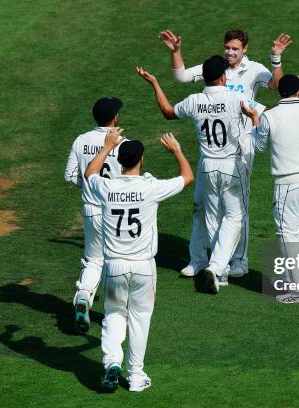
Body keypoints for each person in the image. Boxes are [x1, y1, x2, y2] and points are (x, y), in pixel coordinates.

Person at [158, 28, 294, 278]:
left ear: (245, 50)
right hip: (209, 153)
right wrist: (176, 51)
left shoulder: (254, 70)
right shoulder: (215, 66)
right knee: (202, 206)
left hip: (240, 149)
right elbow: (181, 76)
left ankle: (238, 260)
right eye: (227, 48)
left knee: (236, 209)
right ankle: (200, 259)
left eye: (235, 49)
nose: (230, 52)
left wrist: (276, 59)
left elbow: (275, 86)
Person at [136, 55, 258, 293]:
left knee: (212, 218)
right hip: (232, 166)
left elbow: (168, 112)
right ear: (223, 76)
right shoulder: (235, 97)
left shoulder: (194, 101)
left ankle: (215, 269)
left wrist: (155, 84)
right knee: (234, 217)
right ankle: (217, 267)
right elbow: (256, 115)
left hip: (207, 166)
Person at [84, 128, 193, 392]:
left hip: (114, 266)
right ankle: (135, 377)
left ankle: (112, 362)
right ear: (141, 160)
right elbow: (187, 177)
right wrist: (177, 150)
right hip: (144, 266)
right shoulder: (150, 187)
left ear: (119, 161)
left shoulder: (107, 187)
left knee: (113, 315)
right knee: (140, 319)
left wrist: (107, 146)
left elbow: (90, 174)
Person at [249, 74, 299, 304]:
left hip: (289, 183)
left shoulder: (270, 116)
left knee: (287, 235)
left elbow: (258, 145)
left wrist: (254, 119)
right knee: (296, 232)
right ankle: (291, 281)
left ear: (280, 92)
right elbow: (298, 127)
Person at [64, 97, 126, 333]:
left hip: (91, 209)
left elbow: (70, 176)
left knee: (93, 260)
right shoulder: (122, 143)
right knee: (118, 260)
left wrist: (90, 186)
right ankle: (116, 312)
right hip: (116, 209)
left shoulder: (81, 140)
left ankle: (83, 296)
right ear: (115, 118)